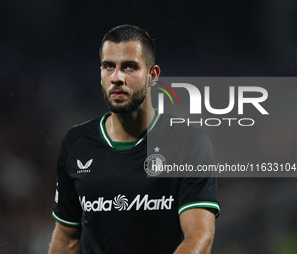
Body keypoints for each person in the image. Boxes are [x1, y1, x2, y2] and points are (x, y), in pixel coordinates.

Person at [48, 24, 220, 254]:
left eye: (129, 67)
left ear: (153, 75)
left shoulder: (189, 142)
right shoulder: (76, 143)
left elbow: (199, 237)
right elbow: (66, 239)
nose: (117, 77)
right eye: (108, 66)